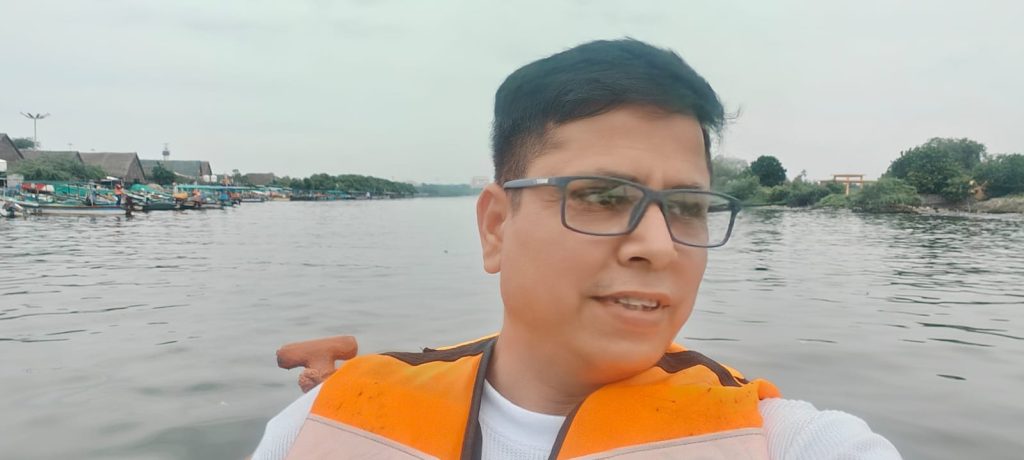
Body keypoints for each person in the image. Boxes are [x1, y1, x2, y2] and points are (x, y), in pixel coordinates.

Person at [250, 39, 901, 459]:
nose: (659, 246)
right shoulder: (317, 427)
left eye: (688, 207)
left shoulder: (798, 445)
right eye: (602, 196)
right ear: (497, 226)